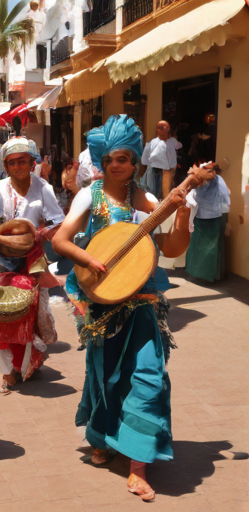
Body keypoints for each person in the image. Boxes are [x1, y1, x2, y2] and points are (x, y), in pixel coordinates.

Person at [52, 114, 209, 502]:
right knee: (105, 377)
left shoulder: (147, 200)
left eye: (125, 158)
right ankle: (103, 437)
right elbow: (60, 240)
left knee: (148, 378)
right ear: (102, 163)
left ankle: (138, 466)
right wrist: (88, 260)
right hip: (104, 304)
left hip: (143, 306)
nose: (118, 165)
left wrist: (184, 211)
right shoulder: (90, 195)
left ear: (136, 161)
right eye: (111, 160)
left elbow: (171, 250)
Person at [0, 136, 65, 393]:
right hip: (3, 260)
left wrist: (38, 234)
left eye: (22, 161)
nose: (18, 167)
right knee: (3, 314)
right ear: (6, 165)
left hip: (33, 260)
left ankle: (22, 365)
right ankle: (8, 370)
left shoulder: (43, 187)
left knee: (29, 313)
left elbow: (58, 221)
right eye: (12, 162)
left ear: (32, 162)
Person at [185, 169, 230, 281]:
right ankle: (211, 275)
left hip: (213, 218)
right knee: (211, 246)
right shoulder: (216, 181)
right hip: (210, 216)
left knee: (210, 247)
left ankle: (209, 275)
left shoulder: (215, 181)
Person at [139, 120, 182, 200]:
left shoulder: (173, 141)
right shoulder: (152, 143)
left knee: (166, 194)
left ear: (168, 128)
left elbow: (179, 146)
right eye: (159, 127)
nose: (161, 129)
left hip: (168, 171)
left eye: (163, 127)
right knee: (152, 194)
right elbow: (144, 161)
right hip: (153, 170)